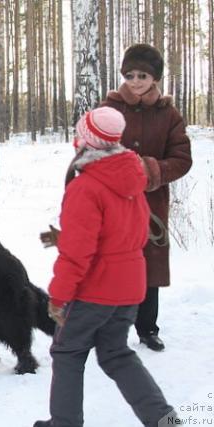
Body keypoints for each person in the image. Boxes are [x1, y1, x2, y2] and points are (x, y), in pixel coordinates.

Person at [34, 107, 175, 427]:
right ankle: (163, 420)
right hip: (129, 287)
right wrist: (64, 236)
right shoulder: (130, 177)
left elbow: (78, 254)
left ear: (86, 141)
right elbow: (127, 235)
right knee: (115, 353)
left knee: (68, 353)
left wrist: (58, 296)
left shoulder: (86, 186)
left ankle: (64, 423)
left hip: (94, 290)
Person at [102, 43, 192, 351]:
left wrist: (149, 170)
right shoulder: (110, 108)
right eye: (130, 75)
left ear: (155, 77)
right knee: (114, 263)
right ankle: (112, 328)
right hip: (114, 203)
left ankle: (147, 328)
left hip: (152, 205)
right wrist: (118, 171)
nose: (136, 81)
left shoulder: (169, 114)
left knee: (148, 266)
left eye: (143, 75)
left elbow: (182, 159)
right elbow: (94, 149)